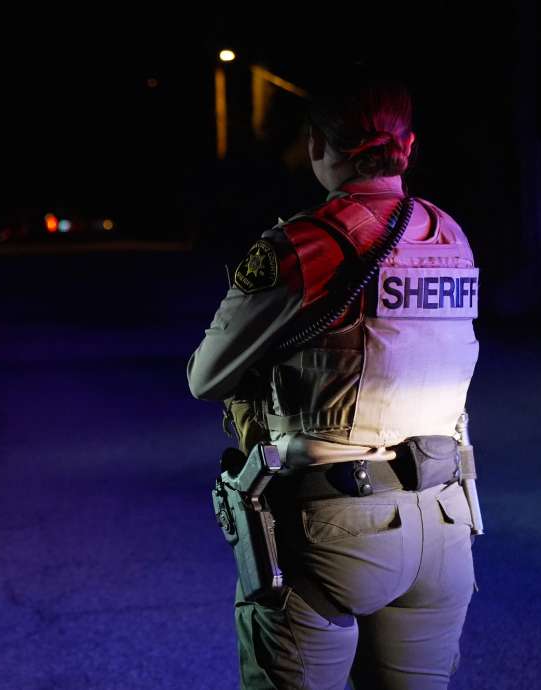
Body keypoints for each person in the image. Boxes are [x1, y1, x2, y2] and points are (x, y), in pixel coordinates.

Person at [188, 75, 480, 689]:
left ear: (318, 144)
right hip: (445, 521)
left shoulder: (308, 244)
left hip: (331, 526)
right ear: (408, 146)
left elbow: (206, 377)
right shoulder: (449, 235)